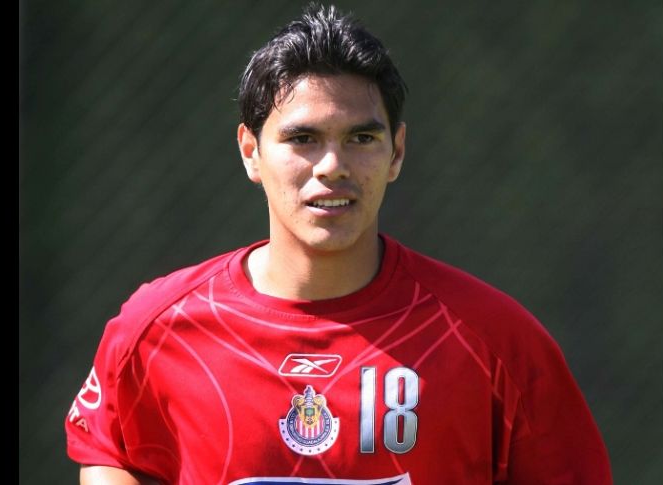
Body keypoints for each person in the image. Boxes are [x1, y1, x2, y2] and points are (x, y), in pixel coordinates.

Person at [65, 3, 613, 484]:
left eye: (362, 138)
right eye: (303, 139)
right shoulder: (157, 329)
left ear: (396, 152)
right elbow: (112, 451)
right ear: (250, 151)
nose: (332, 166)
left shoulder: (496, 341)